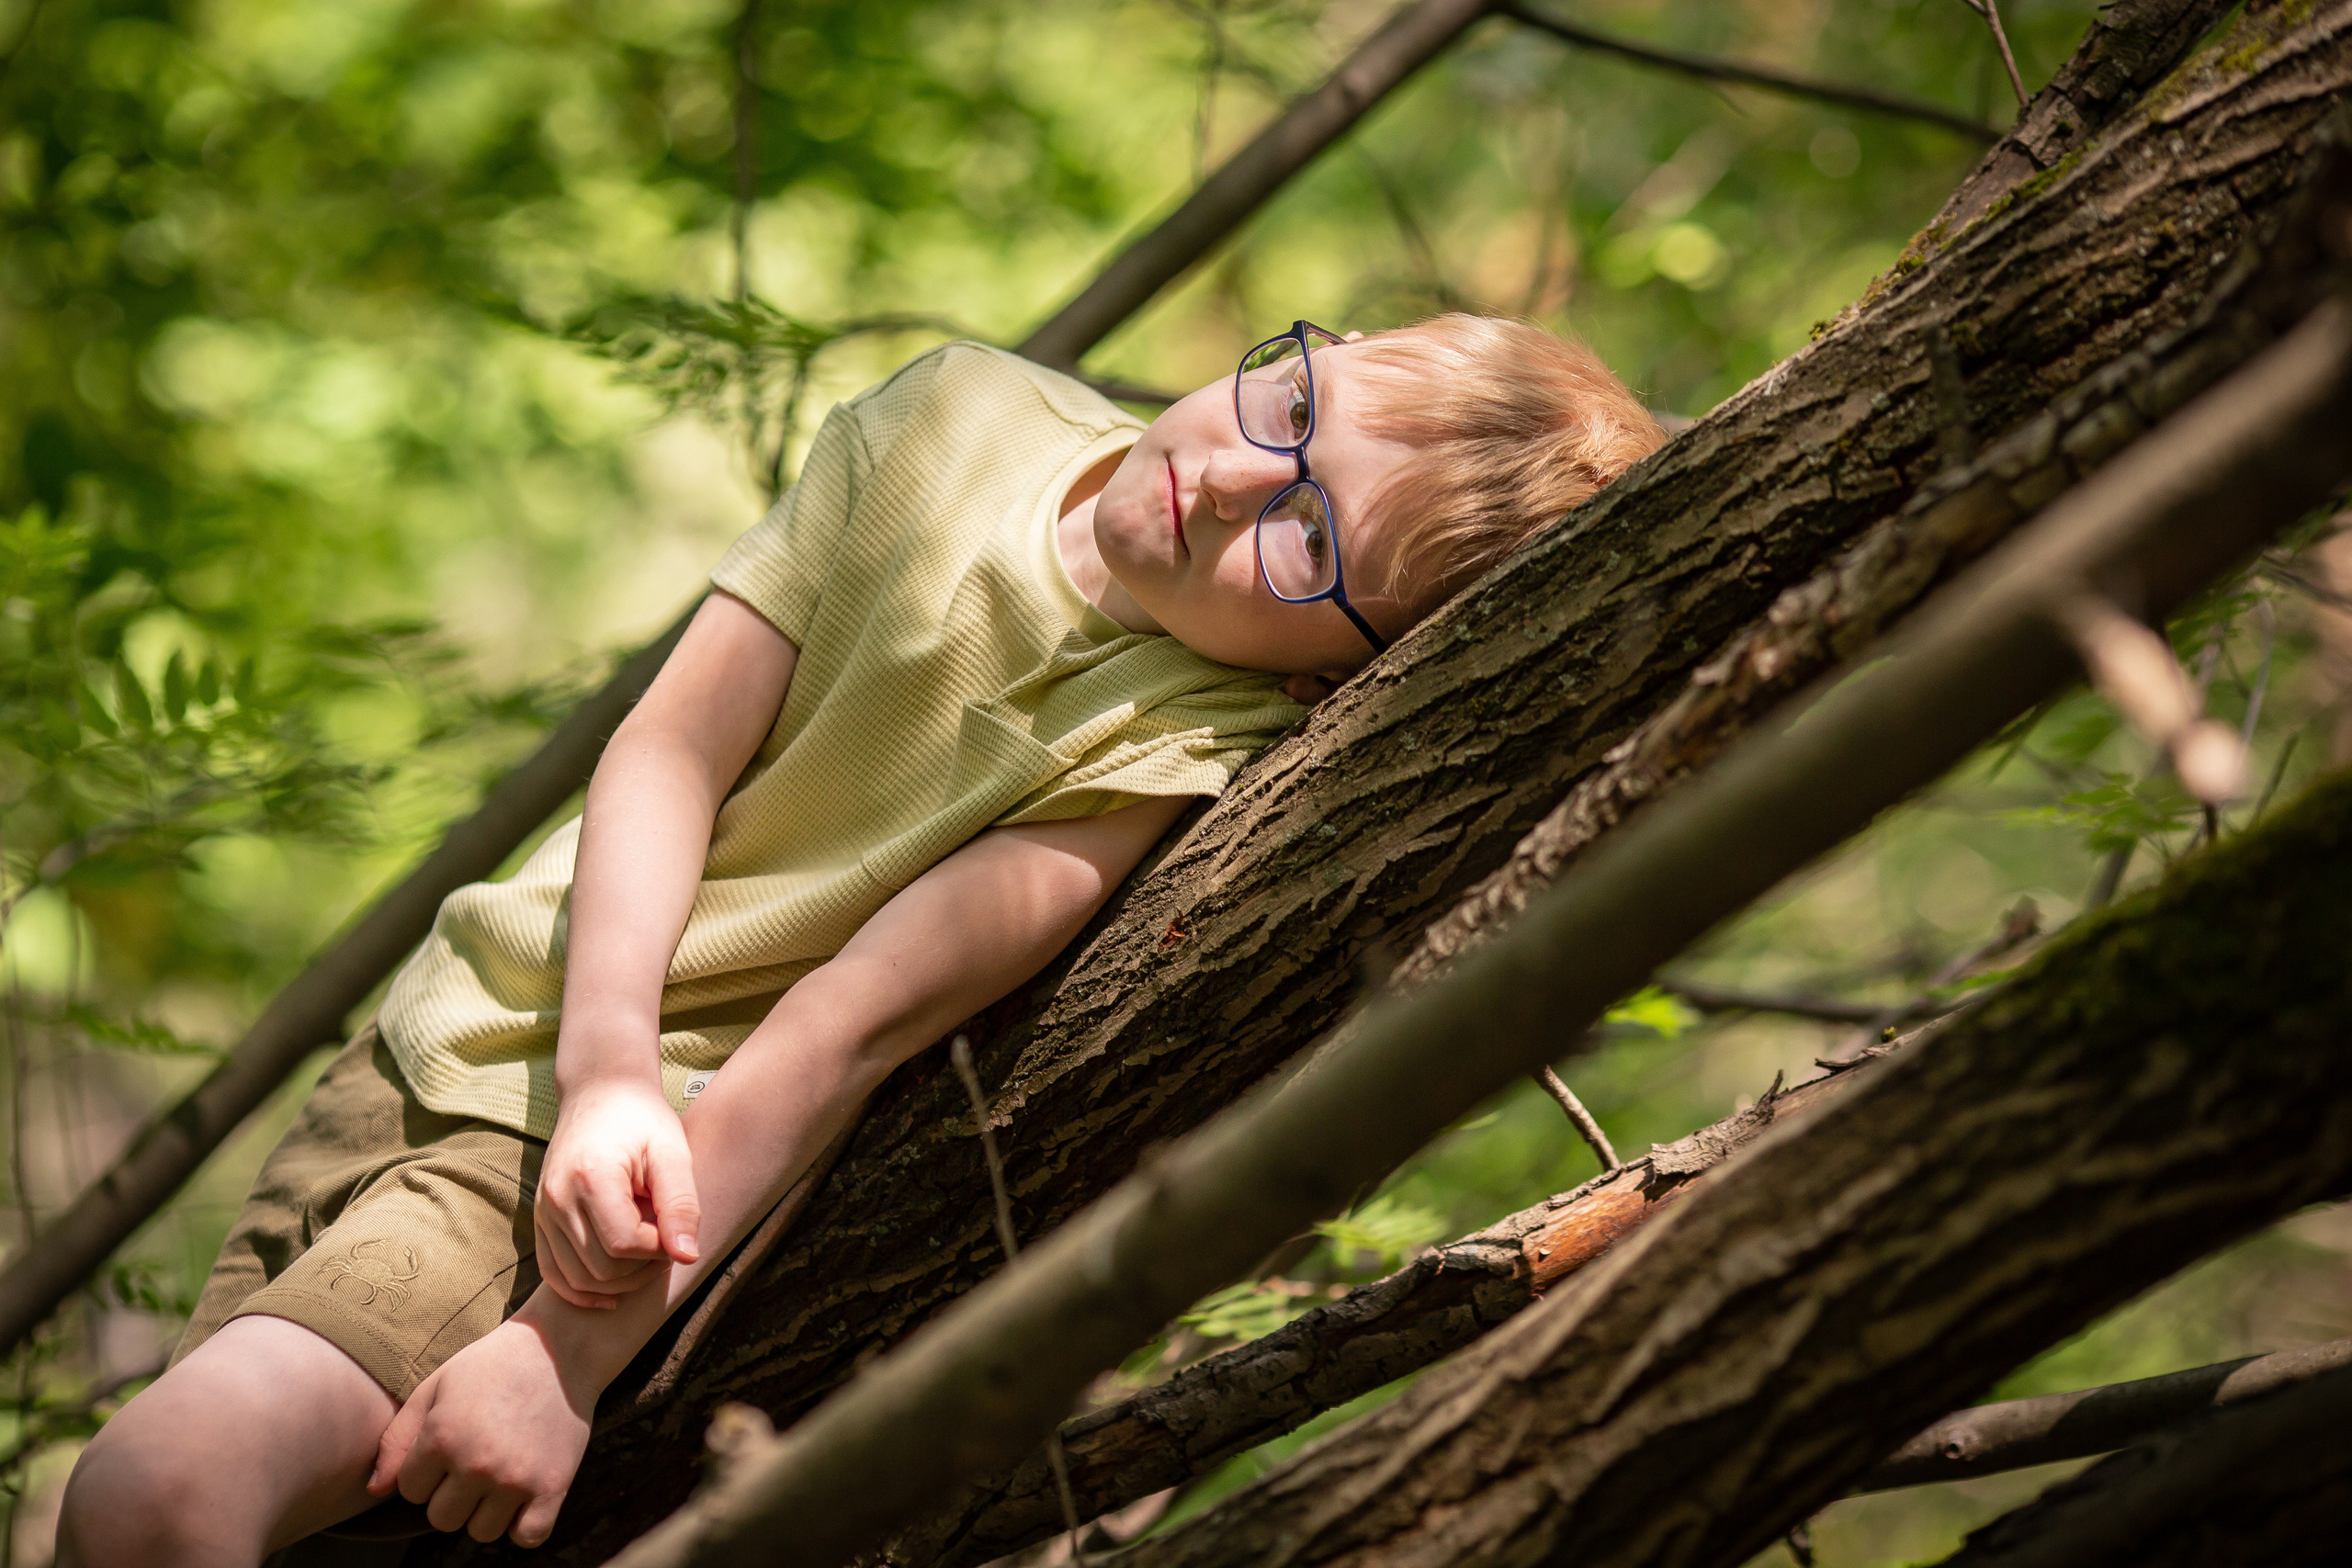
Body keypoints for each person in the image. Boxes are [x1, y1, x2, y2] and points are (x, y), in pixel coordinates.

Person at [55, 313, 1662, 1565]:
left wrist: (563, 1354)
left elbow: (850, 1025)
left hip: (583, 1186)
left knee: (154, 1497)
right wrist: (601, 1051)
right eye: (1292, 408)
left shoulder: (1179, 751)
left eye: (1310, 538)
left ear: (1342, 682)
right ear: (1314, 343)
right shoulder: (954, 419)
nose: (1241, 476)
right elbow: (671, 750)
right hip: (451, 1030)